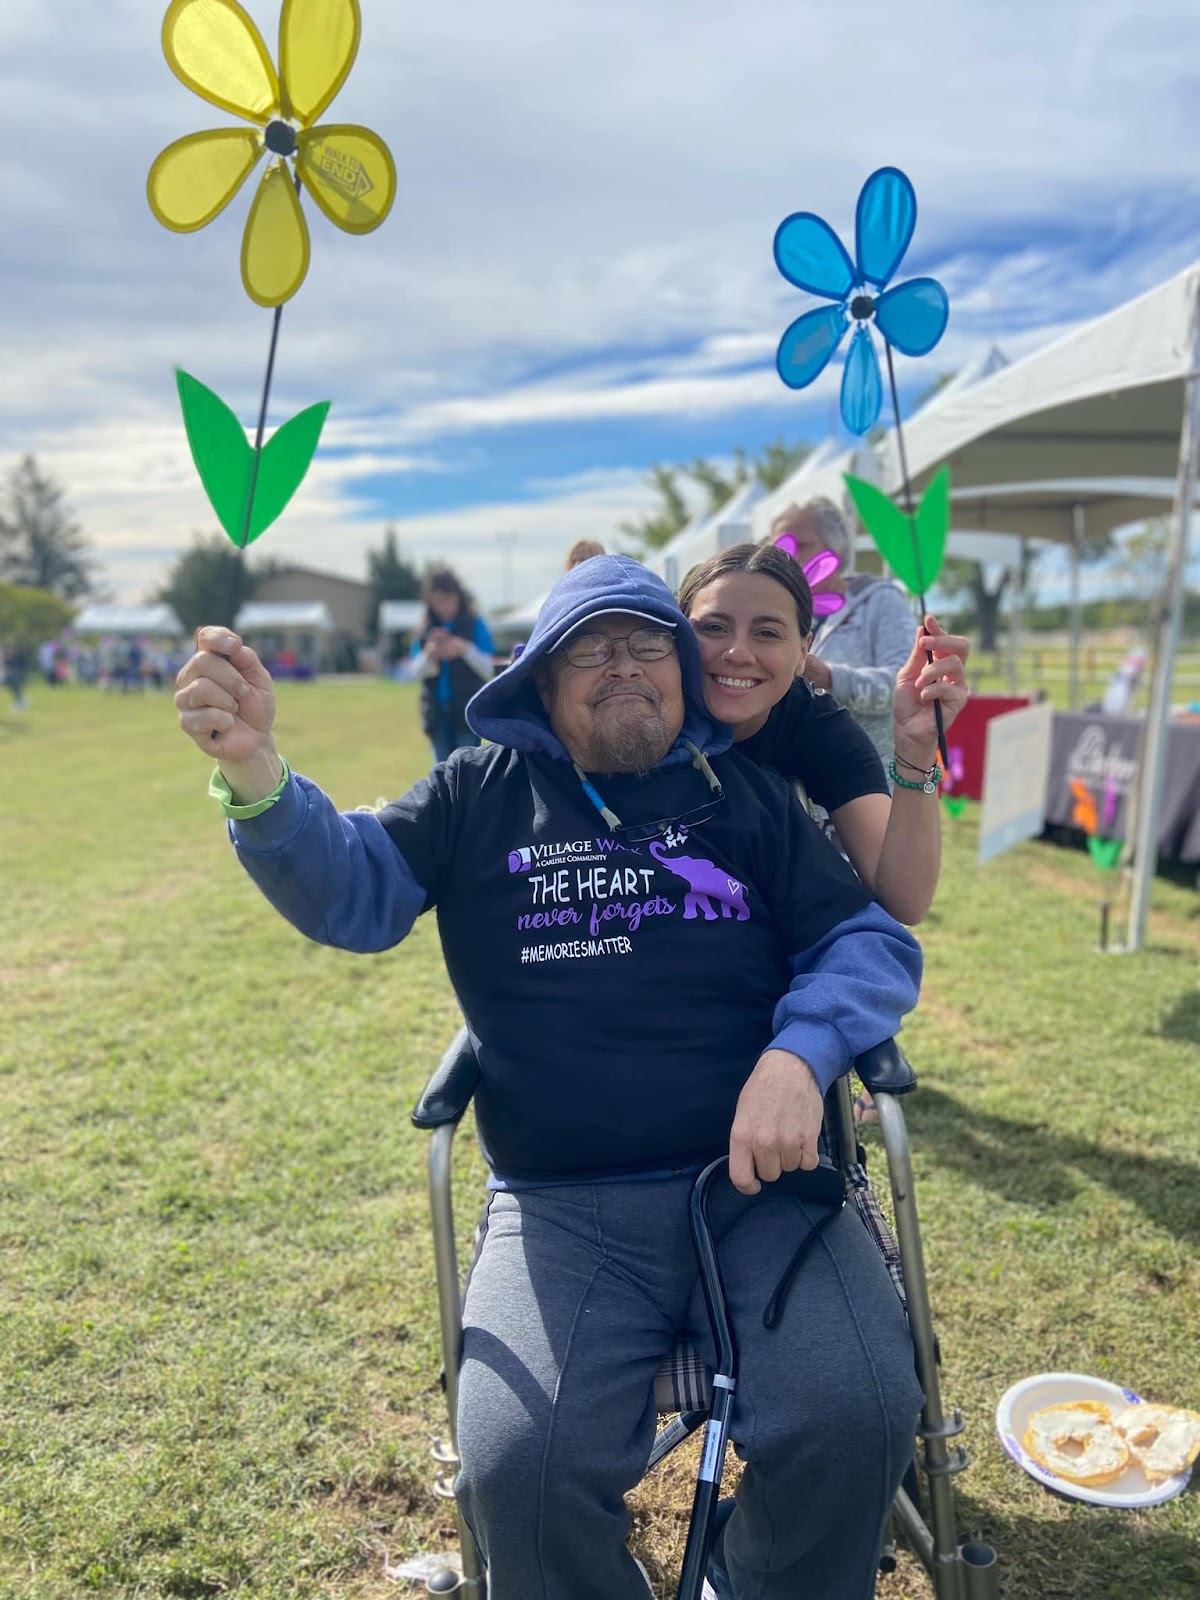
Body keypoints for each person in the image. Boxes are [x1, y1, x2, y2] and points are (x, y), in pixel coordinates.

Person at [175, 553, 924, 1600]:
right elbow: (353, 892)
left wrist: (799, 1056)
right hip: (563, 1205)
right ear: (539, 679)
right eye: (590, 647)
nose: (623, 665)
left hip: (762, 1190)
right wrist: (256, 772)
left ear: (681, 668)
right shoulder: (476, 793)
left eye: (647, 642)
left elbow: (872, 945)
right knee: (520, 1465)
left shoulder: (745, 800)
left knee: (864, 1412)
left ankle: (753, 1581)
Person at [679, 543, 969, 927]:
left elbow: (905, 901)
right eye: (714, 628)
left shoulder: (819, 727)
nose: (738, 652)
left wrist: (917, 751)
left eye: (767, 632)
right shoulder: (644, 714)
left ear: (803, 652)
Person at [769, 498, 920, 767]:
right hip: (794, 789)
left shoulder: (880, 601)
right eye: (780, 548)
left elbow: (907, 687)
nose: (788, 558)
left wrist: (830, 678)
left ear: (836, 549)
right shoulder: (770, 613)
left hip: (872, 782)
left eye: (802, 545)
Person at [411, 567, 496, 764]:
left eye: (448, 599)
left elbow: (488, 669)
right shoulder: (424, 629)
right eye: (438, 601)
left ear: (458, 597)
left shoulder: (475, 624)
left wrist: (464, 649)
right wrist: (429, 655)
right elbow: (413, 673)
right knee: (441, 772)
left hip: (467, 711)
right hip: (436, 713)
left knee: (468, 771)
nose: (444, 606)